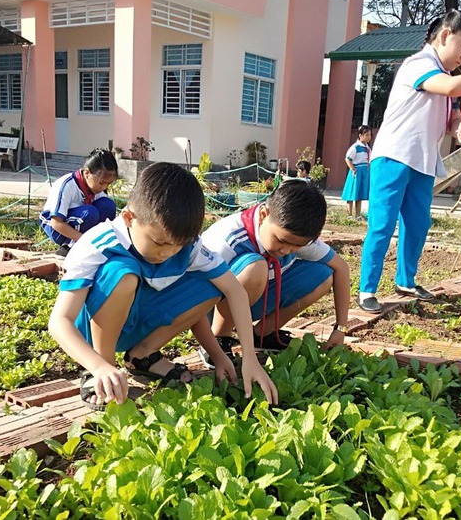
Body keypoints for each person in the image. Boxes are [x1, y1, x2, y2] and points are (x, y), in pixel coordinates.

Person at [49, 162, 278, 410]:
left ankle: (143, 356)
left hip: (138, 323)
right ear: (129, 218)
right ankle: (103, 373)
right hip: (95, 331)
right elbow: (60, 321)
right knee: (122, 274)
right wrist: (98, 365)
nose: (168, 253)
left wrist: (238, 358)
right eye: (159, 242)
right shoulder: (99, 243)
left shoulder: (187, 248)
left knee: (210, 286)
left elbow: (234, 290)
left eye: (177, 245)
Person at [356, 10, 461, 313]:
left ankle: (406, 280)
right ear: (445, 35)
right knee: (382, 225)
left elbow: (449, 117)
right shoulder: (418, 65)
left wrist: (460, 123)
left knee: (418, 224)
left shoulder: (443, 76)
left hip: (422, 161)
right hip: (394, 156)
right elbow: (448, 89)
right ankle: (367, 289)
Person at [201, 179, 351, 353]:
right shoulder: (226, 240)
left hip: (251, 300)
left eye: (297, 246)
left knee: (324, 275)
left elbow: (341, 267)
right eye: (281, 240)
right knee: (256, 267)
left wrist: (341, 328)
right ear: (264, 215)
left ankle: (263, 334)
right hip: (209, 308)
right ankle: (219, 339)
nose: (286, 250)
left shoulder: (296, 234)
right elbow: (194, 293)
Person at [40, 149, 118, 257]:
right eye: (102, 183)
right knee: (90, 213)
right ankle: (69, 247)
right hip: (56, 227)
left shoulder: (97, 189)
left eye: (108, 184)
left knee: (108, 206)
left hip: (78, 219)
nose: (104, 187)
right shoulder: (67, 185)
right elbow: (56, 223)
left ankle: (100, 246)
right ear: (87, 173)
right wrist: (86, 241)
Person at [341, 125, 372, 220]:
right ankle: (349, 215)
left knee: (360, 194)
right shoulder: (355, 147)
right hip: (356, 172)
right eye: (366, 135)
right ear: (360, 135)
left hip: (364, 172)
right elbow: (348, 159)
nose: (368, 137)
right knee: (351, 193)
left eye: (369, 135)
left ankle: (358, 215)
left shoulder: (368, 148)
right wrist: (353, 169)